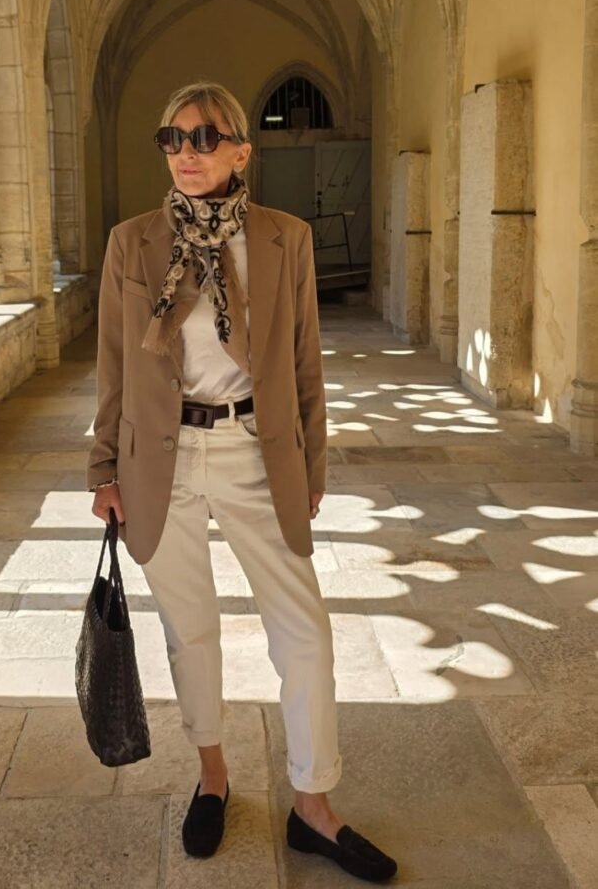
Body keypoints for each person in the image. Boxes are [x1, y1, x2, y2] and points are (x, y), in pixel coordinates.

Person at [87, 81, 397, 882]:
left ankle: (313, 806)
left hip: (258, 451)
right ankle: (213, 777)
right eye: (172, 138)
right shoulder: (133, 241)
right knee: (190, 632)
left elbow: (304, 364)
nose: (185, 152)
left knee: (306, 633)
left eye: (203, 136)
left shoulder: (285, 238)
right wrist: (102, 471)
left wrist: (312, 465)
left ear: (238, 149)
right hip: (161, 460)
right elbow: (115, 366)